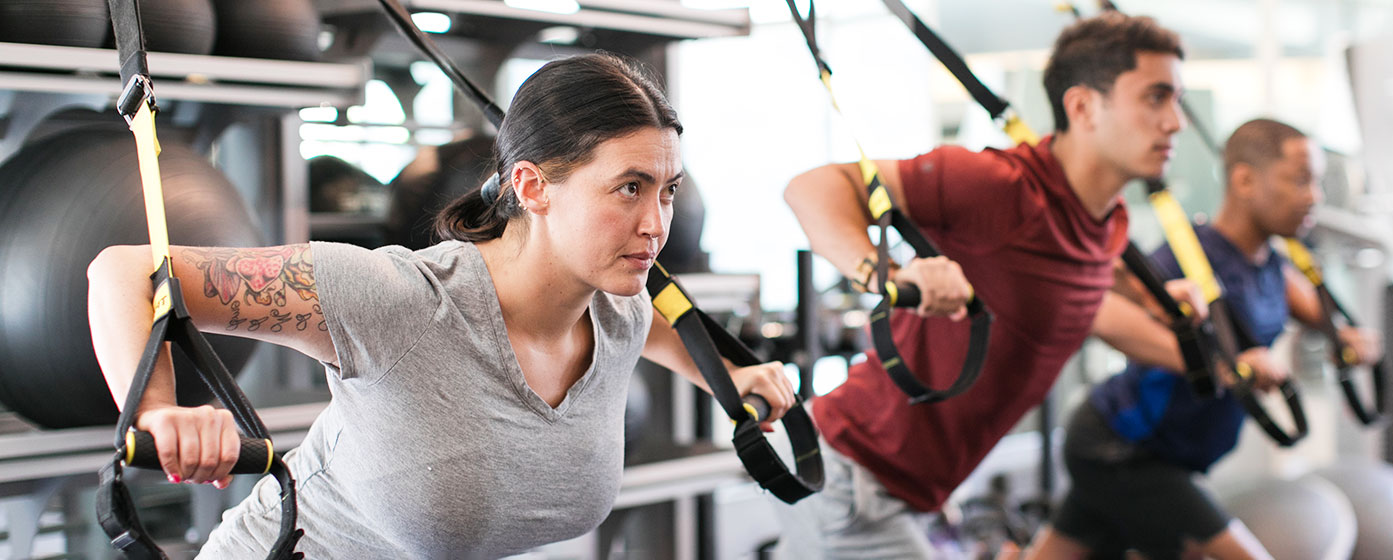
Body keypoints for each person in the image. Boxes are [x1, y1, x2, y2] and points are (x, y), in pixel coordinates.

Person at [86, 52, 796, 559]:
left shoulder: (621, 307)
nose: (657, 224)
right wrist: (157, 412)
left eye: (668, 190)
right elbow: (126, 273)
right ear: (532, 186)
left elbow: (654, 324)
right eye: (629, 188)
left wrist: (724, 374)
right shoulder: (392, 300)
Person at [777, 13, 1197, 558]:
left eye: (1177, 100)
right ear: (1082, 107)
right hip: (846, 475)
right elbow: (813, 187)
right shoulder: (998, 186)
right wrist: (889, 278)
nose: (1176, 122)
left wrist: (1200, 352)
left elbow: (1087, 311)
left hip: (911, 494)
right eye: (1156, 98)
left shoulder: (1105, 223)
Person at [1025, 118, 1383, 560]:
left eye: (1317, 182)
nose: (1314, 196)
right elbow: (1110, 304)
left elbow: (1327, 325)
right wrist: (1230, 364)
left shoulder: (1275, 266)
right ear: (1245, 180)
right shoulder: (1188, 257)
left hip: (1172, 456)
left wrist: (1350, 342)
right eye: (1300, 180)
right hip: (1123, 447)